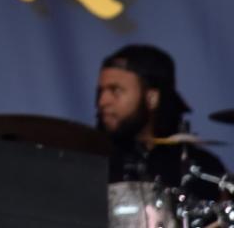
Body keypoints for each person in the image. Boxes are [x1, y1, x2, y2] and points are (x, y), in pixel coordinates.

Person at [96, 44, 227, 202]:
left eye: (115, 90)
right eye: (101, 91)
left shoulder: (199, 167)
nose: (103, 101)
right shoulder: (93, 161)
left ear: (152, 98)